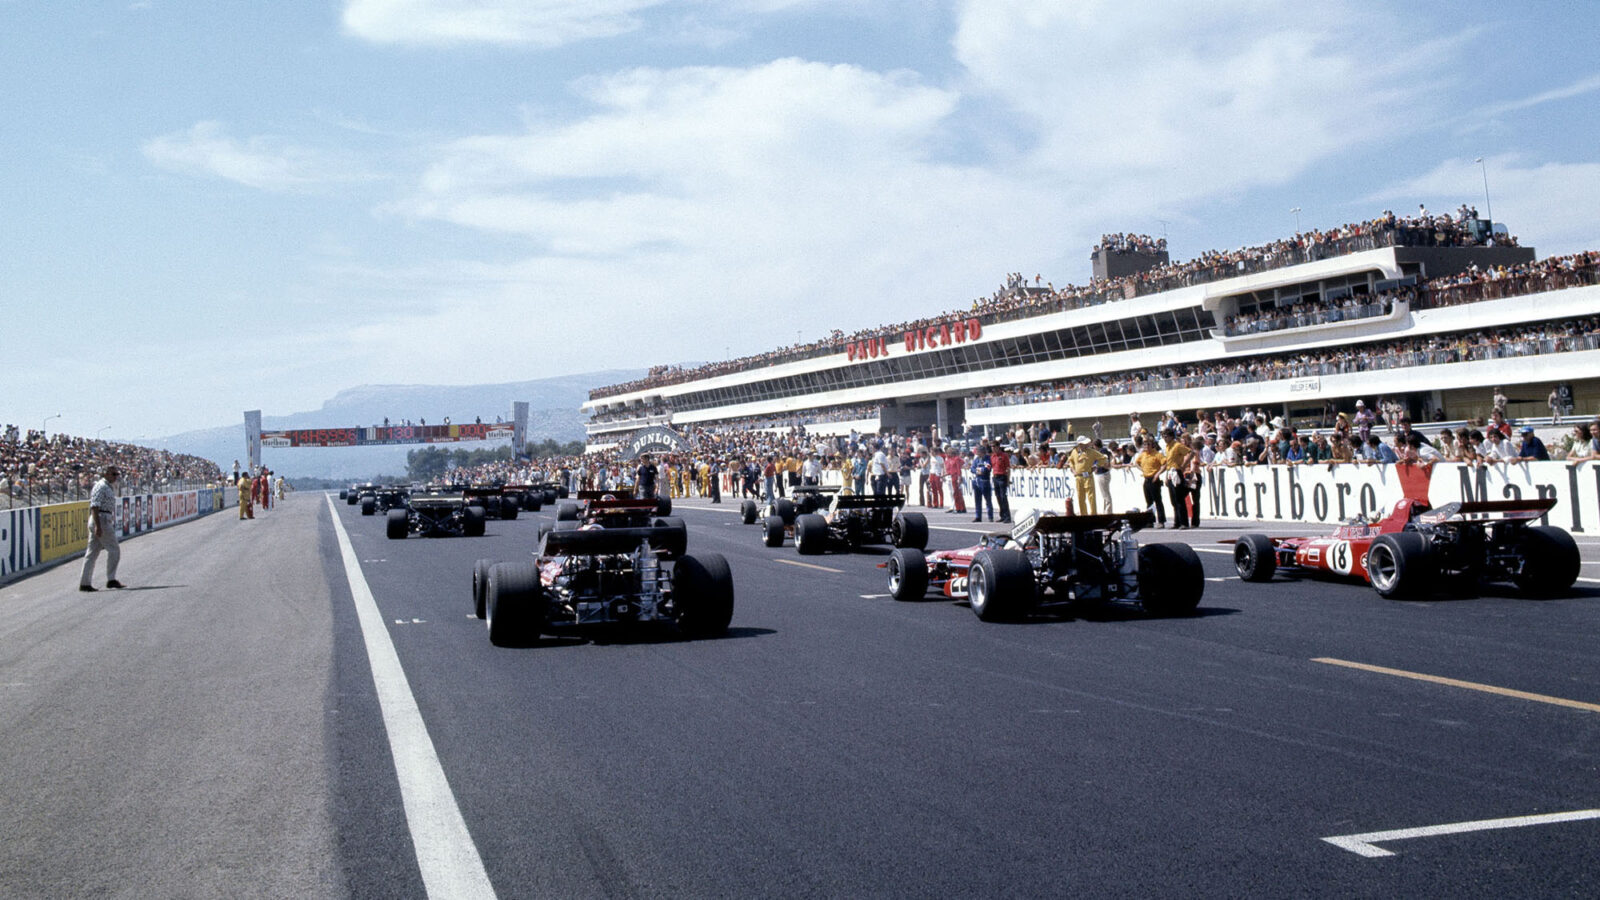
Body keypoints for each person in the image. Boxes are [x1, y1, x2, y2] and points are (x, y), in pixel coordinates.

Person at [79, 466, 124, 591]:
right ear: (106, 474)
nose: (116, 477)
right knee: (114, 549)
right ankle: (111, 579)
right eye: (114, 474)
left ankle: (85, 583)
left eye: (117, 474)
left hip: (102, 518)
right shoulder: (101, 486)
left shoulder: (108, 486)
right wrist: (98, 526)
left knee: (92, 553)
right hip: (101, 519)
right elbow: (94, 506)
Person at [1066, 437, 1105, 516]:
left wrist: (1096, 466)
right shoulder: (1074, 452)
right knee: (1080, 498)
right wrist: (1073, 469)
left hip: (1088, 476)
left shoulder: (1091, 452)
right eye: (1084, 444)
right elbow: (1070, 461)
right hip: (1078, 477)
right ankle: (1084, 515)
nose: (1086, 445)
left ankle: (1093, 514)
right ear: (1080, 444)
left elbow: (1103, 458)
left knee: (1091, 497)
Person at [1134, 438, 1168, 527]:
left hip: (1154, 478)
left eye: (1148, 444)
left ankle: (1161, 521)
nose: (1146, 446)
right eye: (1145, 445)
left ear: (1152, 445)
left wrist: (1158, 474)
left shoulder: (1157, 454)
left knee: (1158, 501)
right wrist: (1143, 470)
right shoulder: (1143, 455)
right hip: (1146, 479)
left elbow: (1165, 464)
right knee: (1149, 501)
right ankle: (1150, 521)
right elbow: (1136, 463)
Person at [969, 446, 994, 523]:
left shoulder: (987, 459)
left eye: (978, 451)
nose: (977, 453)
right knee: (977, 500)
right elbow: (972, 468)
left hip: (985, 481)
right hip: (977, 481)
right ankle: (978, 516)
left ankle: (990, 516)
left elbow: (988, 467)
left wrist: (982, 470)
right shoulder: (976, 459)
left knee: (988, 500)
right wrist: (977, 471)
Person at [990, 442, 1012, 523]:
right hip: (995, 477)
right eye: (992, 447)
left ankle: (1007, 516)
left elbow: (1008, 468)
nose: (993, 448)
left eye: (994, 446)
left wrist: (1008, 479)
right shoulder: (992, 456)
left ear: (998, 447)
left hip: (1002, 477)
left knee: (1003, 497)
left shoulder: (1004, 456)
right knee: (998, 497)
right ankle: (1002, 515)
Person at [943, 445, 966, 514]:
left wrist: (959, 477)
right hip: (952, 476)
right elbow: (951, 470)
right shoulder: (951, 460)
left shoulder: (956, 459)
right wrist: (945, 474)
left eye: (949, 452)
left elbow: (958, 469)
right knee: (955, 493)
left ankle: (961, 508)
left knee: (957, 493)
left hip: (956, 477)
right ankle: (958, 507)